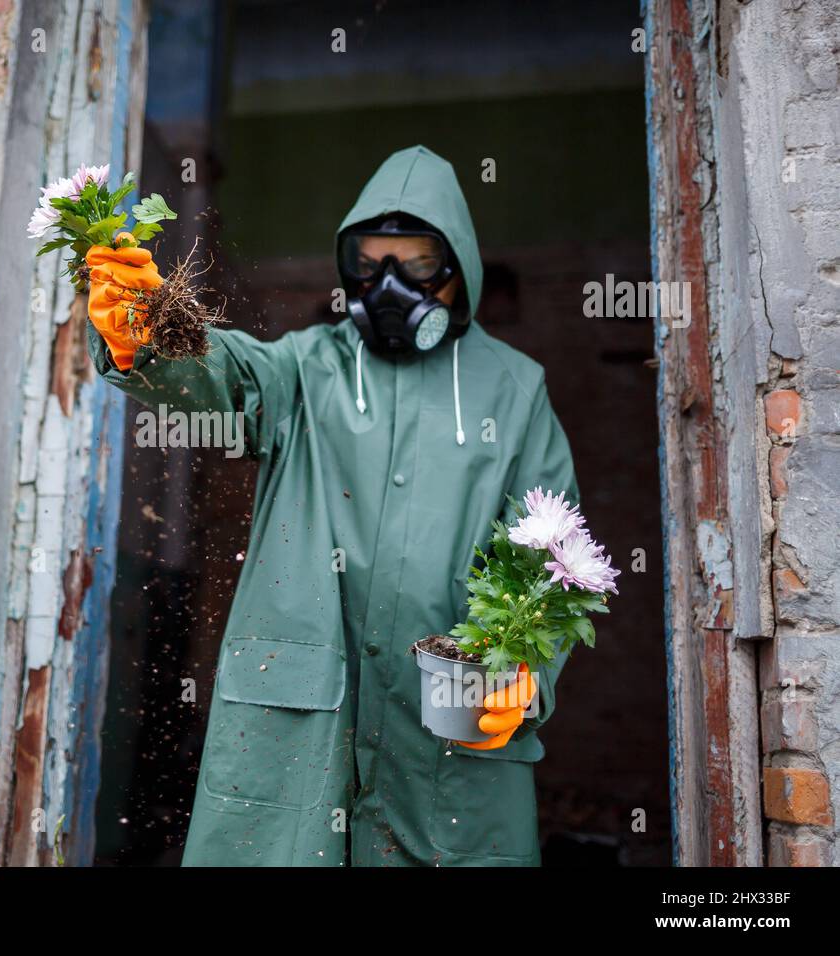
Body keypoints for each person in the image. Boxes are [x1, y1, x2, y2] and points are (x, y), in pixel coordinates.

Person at [84, 145, 577, 866]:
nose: (388, 286)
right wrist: (151, 332)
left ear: (457, 269)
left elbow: (559, 558)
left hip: (444, 735)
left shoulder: (514, 389)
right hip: (299, 730)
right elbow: (225, 374)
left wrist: (526, 672)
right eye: (369, 264)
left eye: (412, 265)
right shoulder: (305, 367)